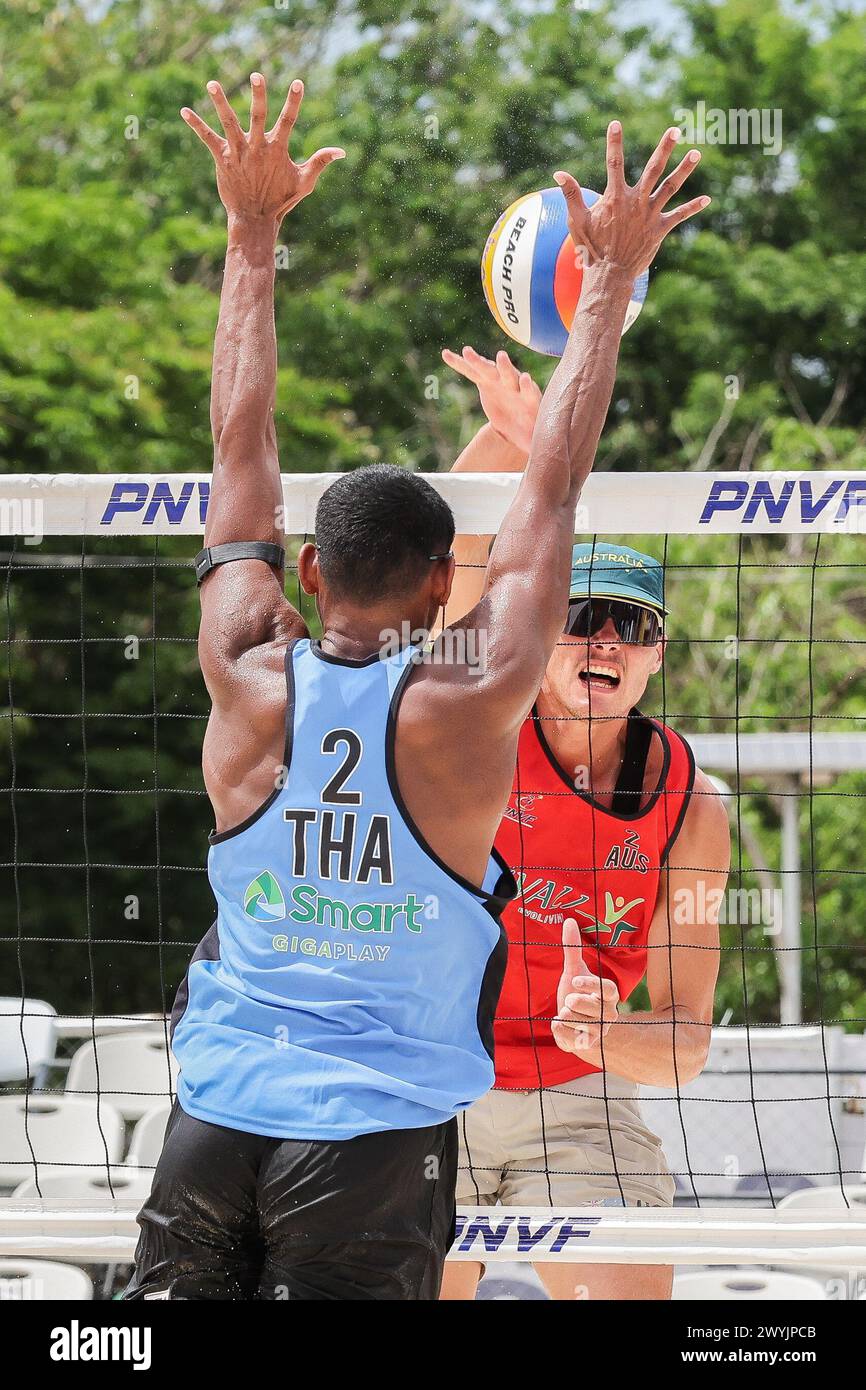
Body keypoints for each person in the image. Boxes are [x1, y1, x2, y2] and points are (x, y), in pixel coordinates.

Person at [124, 73, 709, 1300]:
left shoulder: (242, 666)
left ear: (303, 569)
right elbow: (546, 499)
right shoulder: (470, 694)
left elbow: (241, 448)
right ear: (450, 576)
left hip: (215, 1112)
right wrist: (603, 286)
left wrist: (250, 235)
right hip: (373, 1140)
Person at [436, 347, 730, 1302]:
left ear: (656, 656)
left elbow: (684, 1041)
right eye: (584, 615)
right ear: (546, 626)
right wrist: (514, 434)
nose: (605, 640)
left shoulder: (691, 802)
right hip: (433, 1076)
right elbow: (460, 547)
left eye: (630, 626)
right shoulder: (481, 719)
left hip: (581, 1095)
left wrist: (609, 1039)